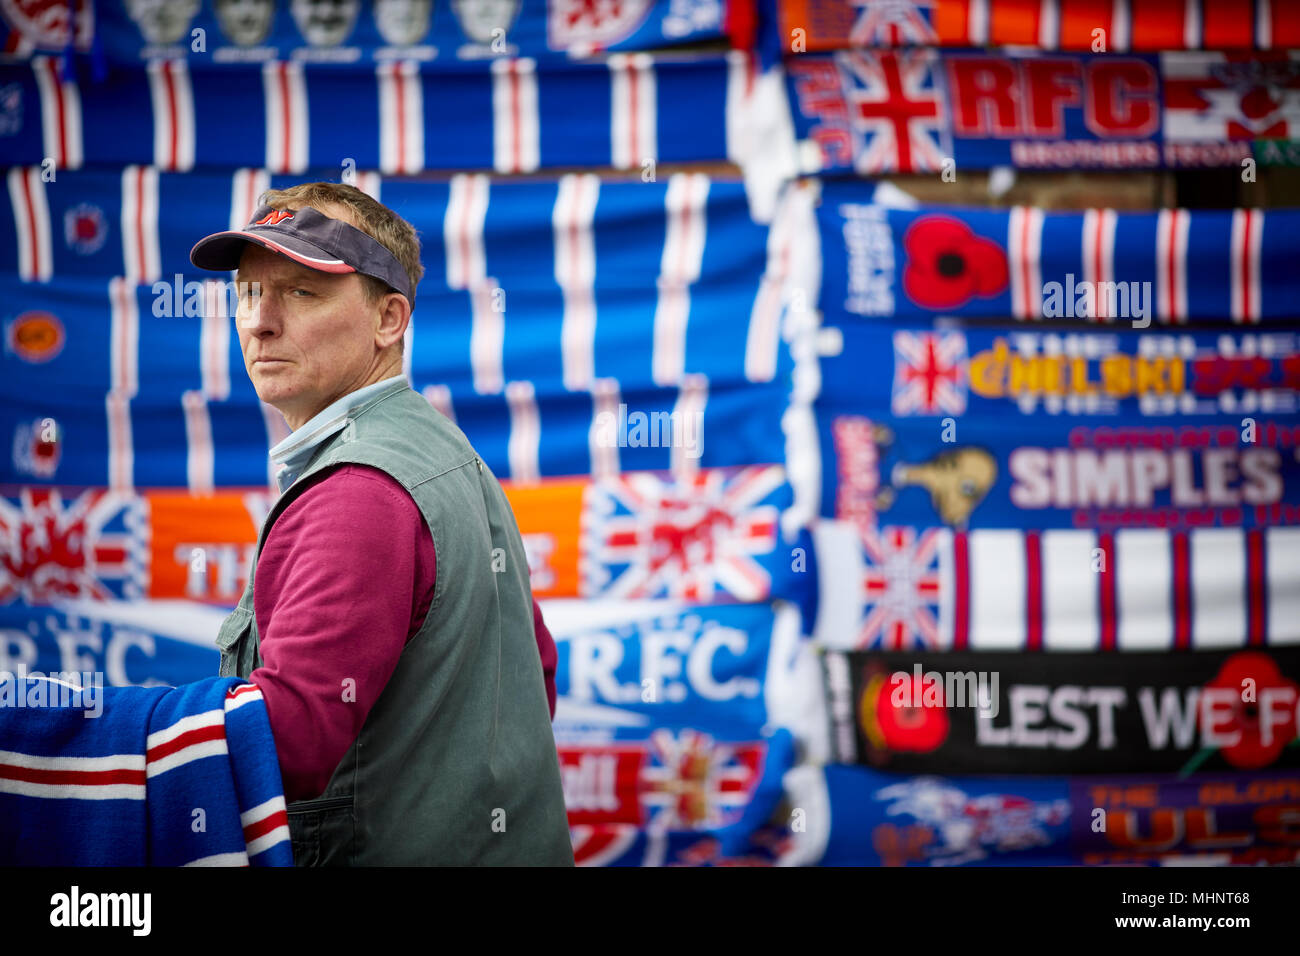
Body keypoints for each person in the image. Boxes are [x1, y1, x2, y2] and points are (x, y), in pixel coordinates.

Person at [189, 182, 574, 866]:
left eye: (301, 292)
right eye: (247, 293)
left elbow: (284, 746)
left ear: (389, 318)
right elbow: (536, 672)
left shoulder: (357, 490)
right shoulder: (441, 452)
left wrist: (88, 737)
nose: (258, 322)